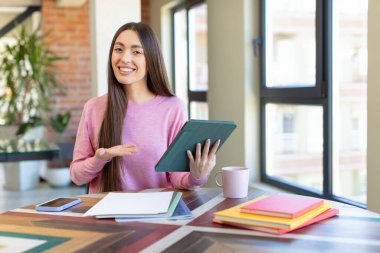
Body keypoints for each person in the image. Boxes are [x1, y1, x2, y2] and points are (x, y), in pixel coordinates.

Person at [70, 22, 220, 193]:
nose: (124, 58)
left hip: (156, 213)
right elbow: (77, 176)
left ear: (151, 59)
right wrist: (99, 159)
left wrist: (196, 176)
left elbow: (175, 177)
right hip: (106, 215)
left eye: (136, 52)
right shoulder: (93, 108)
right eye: (118, 49)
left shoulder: (173, 108)